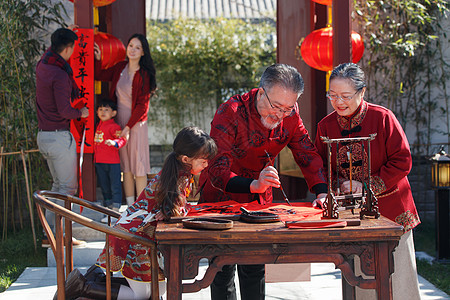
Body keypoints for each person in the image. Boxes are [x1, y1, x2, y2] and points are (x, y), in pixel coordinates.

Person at [198, 63, 328, 300]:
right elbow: (216, 167)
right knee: (221, 269)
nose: (279, 115)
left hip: (259, 200)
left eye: (287, 109)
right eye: (275, 106)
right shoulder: (231, 111)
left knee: (254, 267)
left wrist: (321, 192)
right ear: (260, 92)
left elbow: (305, 152)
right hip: (221, 195)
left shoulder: (290, 113)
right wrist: (252, 184)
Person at [56, 126, 217, 300]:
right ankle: (83, 287)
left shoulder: (177, 173)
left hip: (135, 233)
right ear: (186, 159)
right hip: (135, 238)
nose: (206, 164)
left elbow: (175, 207)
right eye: (203, 160)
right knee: (144, 294)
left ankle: (96, 279)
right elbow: (176, 209)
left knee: (155, 290)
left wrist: (172, 211)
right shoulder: (180, 177)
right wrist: (173, 212)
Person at [314, 62, 421, 299]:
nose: (338, 102)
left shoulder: (383, 118)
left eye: (345, 96)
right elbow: (320, 167)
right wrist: (337, 185)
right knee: (361, 282)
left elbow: (402, 161)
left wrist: (368, 185)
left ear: (362, 92)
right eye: (332, 95)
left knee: (398, 279)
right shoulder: (325, 126)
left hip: (391, 211)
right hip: (350, 215)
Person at [36, 27, 89, 246]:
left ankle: (51, 235)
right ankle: (63, 236)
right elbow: (65, 111)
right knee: (67, 190)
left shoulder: (43, 64)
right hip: (59, 138)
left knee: (58, 187)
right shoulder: (59, 73)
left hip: (44, 136)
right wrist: (82, 113)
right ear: (68, 48)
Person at [94, 33, 157, 206]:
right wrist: (98, 58)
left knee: (138, 165)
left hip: (136, 123)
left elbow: (142, 106)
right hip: (118, 121)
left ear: (143, 52)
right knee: (126, 166)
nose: (133, 50)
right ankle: (130, 207)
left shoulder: (144, 74)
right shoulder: (120, 67)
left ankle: (141, 206)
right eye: (131, 46)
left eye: (138, 47)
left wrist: (128, 127)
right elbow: (99, 75)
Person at [93, 99, 127, 222]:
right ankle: (108, 209)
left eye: (106, 110)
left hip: (113, 162)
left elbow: (123, 139)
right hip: (99, 162)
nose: (103, 112)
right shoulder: (97, 125)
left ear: (113, 113)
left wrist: (114, 142)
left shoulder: (114, 126)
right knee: (104, 186)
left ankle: (116, 209)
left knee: (115, 186)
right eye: (101, 109)